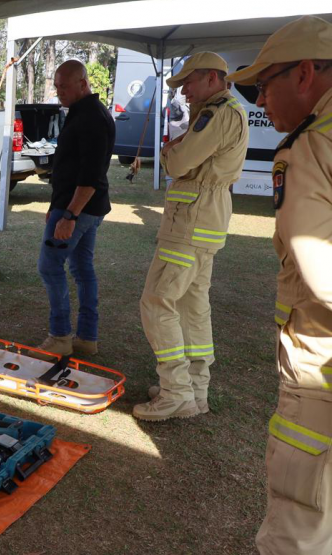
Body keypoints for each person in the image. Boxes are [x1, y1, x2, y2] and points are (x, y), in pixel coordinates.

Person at [226, 15, 332, 554]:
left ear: (306, 73)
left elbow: (322, 274)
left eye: (265, 85)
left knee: (300, 517)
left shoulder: (310, 148)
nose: (260, 101)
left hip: (321, 369)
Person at [133, 52, 248, 422]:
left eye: (189, 82)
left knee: (157, 301)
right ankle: (196, 391)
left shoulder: (217, 114)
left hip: (191, 222)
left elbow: (180, 163)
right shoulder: (227, 110)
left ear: (213, 78)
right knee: (193, 306)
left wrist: (170, 152)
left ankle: (177, 392)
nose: (183, 92)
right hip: (205, 221)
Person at [35, 60, 114, 357]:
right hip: (79, 207)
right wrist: (57, 207)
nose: (59, 92)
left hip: (79, 209)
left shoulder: (91, 117)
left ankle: (60, 336)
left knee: (50, 265)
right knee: (82, 269)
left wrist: (68, 215)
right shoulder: (83, 112)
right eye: (56, 86)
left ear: (83, 83)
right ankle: (86, 338)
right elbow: (74, 167)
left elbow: (90, 176)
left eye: (64, 86)